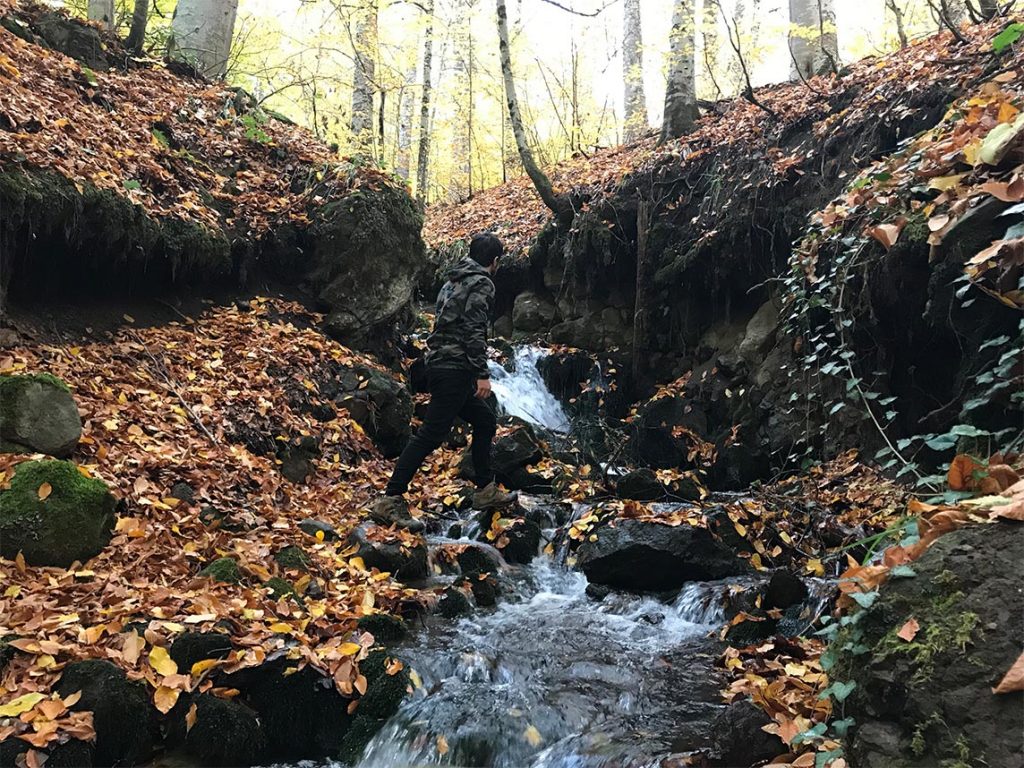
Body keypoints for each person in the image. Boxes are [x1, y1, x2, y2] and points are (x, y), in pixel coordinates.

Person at [370, 232, 517, 531]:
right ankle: (390, 498)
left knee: (486, 421)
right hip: (455, 369)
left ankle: (485, 490)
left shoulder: (451, 282)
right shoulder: (482, 283)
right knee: (430, 435)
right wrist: (482, 374)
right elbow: (474, 329)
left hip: (441, 364)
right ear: (495, 261)